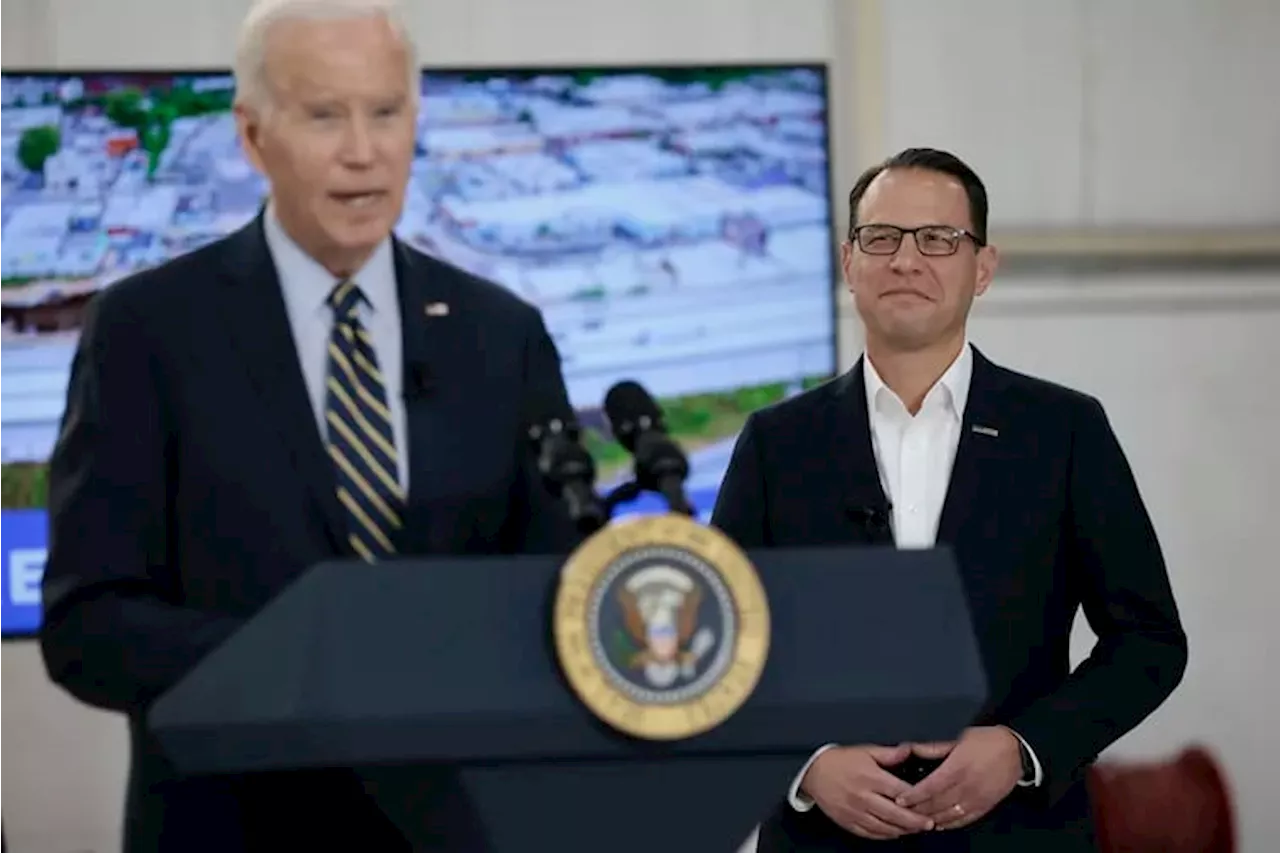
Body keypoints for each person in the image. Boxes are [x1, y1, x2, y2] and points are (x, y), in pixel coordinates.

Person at [38, 1, 575, 851]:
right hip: (232, 824)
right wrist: (305, 661)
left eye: (386, 112)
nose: (363, 150)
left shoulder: (500, 334)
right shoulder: (147, 330)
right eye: (325, 115)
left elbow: (556, 594)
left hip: (455, 828)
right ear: (253, 138)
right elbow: (88, 627)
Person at [711, 148, 1188, 852]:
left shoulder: (1062, 431)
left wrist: (1025, 746)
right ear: (849, 263)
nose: (907, 259)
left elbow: (1149, 640)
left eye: (938, 238)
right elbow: (715, 655)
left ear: (983, 267)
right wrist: (805, 764)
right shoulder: (776, 443)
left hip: (1018, 836)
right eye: (882, 238)